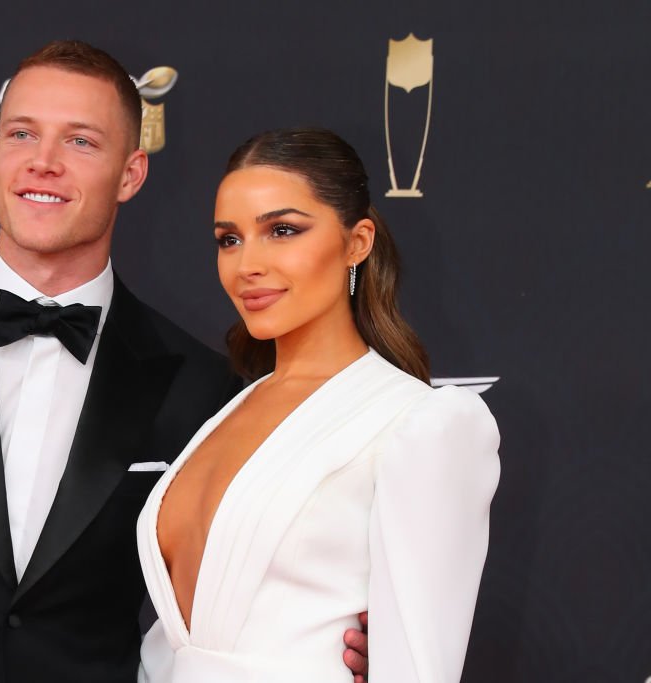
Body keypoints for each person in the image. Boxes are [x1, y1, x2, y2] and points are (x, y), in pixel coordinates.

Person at [0, 44, 368, 683]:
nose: (43, 162)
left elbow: (230, 596)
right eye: (22, 133)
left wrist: (347, 643)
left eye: (81, 142)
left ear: (130, 174)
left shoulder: (200, 385)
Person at [138, 128, 500, 682]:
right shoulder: (227, 410)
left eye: (282, 230)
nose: (247, 265)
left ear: (357, 242)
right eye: (228, 239)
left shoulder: (421, 424)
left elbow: (418, 670)